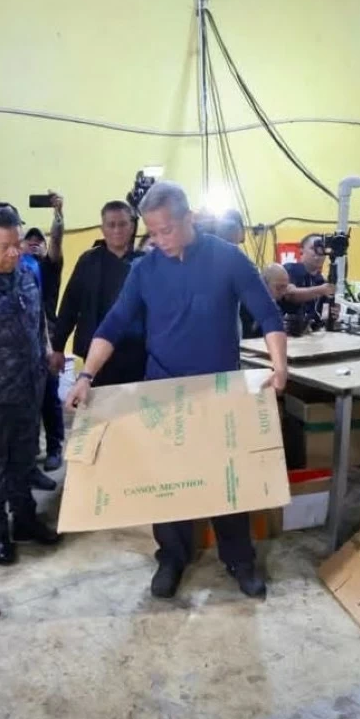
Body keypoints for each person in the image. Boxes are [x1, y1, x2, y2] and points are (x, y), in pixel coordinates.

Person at [65, 181, 288, 600]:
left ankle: (239, 559)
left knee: (227, 481)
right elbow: (112, 325)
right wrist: (86, 376)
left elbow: (268, 313)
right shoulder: (144, 271)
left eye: (166, 229)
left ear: (190, 218)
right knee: (168, 483)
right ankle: (171, 557)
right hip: (164, 392)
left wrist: (279, 366)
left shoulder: (228, 259)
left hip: (219, 392)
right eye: (152, 231)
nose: (159, 239)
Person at [0, 206, 63, 566]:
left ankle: (24, 520)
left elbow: (38, 319)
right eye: (4, 246)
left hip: (30, 386)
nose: (13, 253)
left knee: (25, 458)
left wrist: (48, 352)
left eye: (17, 244)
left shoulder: (26, 271)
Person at [51, 201, 146, 387]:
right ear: (102, 229)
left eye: (122, 224)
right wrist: (58, 347)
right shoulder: (89, 261)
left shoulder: (144, 263)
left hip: (135, 353)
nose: (117, 230)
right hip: (94, 353)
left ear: (132, 226)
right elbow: (70, 304)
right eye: (111, 225)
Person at [23, 199, 66, 474]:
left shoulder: (49, 267)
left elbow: (57, 242)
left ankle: (54, 448)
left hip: (48, 340)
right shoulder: (16, 269)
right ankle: (30, 454)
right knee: (28, 401)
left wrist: (58, 215)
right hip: (22, 345)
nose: (35, 244)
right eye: (30, 241)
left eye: (39, 241)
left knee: (50, 397)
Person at [283, 234, 336, 323]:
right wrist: (321, 290)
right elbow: (290, 295)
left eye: (322, 249)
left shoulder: (322, 281)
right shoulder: (289, 269)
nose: (318, 253)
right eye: (313, 248)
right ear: (301, 250)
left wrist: (332, 314)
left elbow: (323, 315)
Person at [240, 263, 290, 339]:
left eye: (285, 287)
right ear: (263, 284)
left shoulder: (280, 301)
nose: (283, 292)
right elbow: (247, 336)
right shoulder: (246, 304)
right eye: (278, 288)